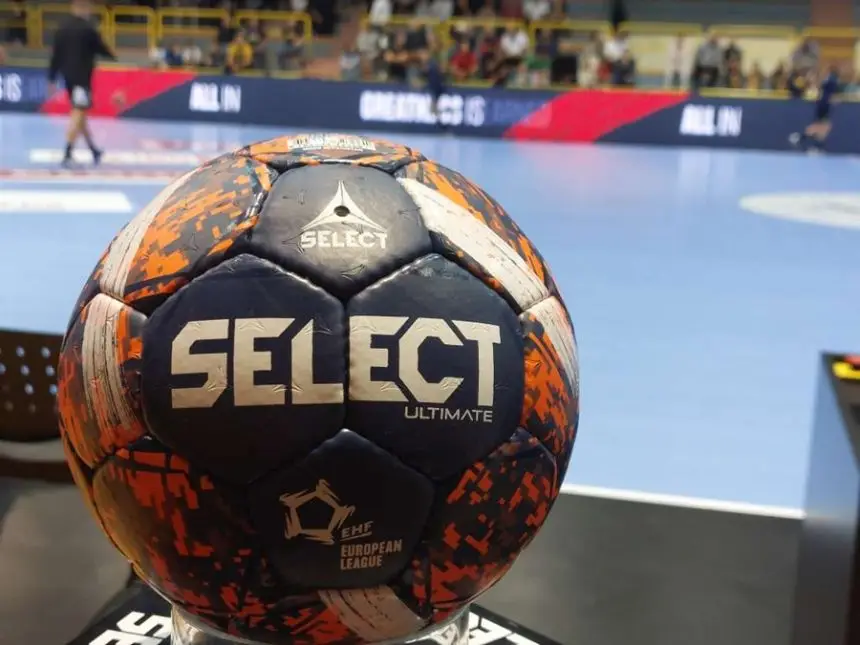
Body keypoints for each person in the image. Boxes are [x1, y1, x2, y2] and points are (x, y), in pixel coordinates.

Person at [47, 0, 116, 168]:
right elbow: (101, 48)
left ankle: (93, 150)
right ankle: (67, 153)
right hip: (82, 78)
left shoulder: (61, 28)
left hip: (68, 78)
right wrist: (113, 56)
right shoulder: (88, 29)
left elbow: (55, 55)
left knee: (80, 112)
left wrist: (52, 78)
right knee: (78, 112)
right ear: (84, 8)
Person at [790, 65, 841, 153]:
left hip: (823, 104)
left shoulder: (827, 81)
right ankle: (806, 141)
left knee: (822, 127)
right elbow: (831, 93)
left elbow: (823, 89)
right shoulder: (832, 80)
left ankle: (807, 142)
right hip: (824, 105)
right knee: (823, 127)